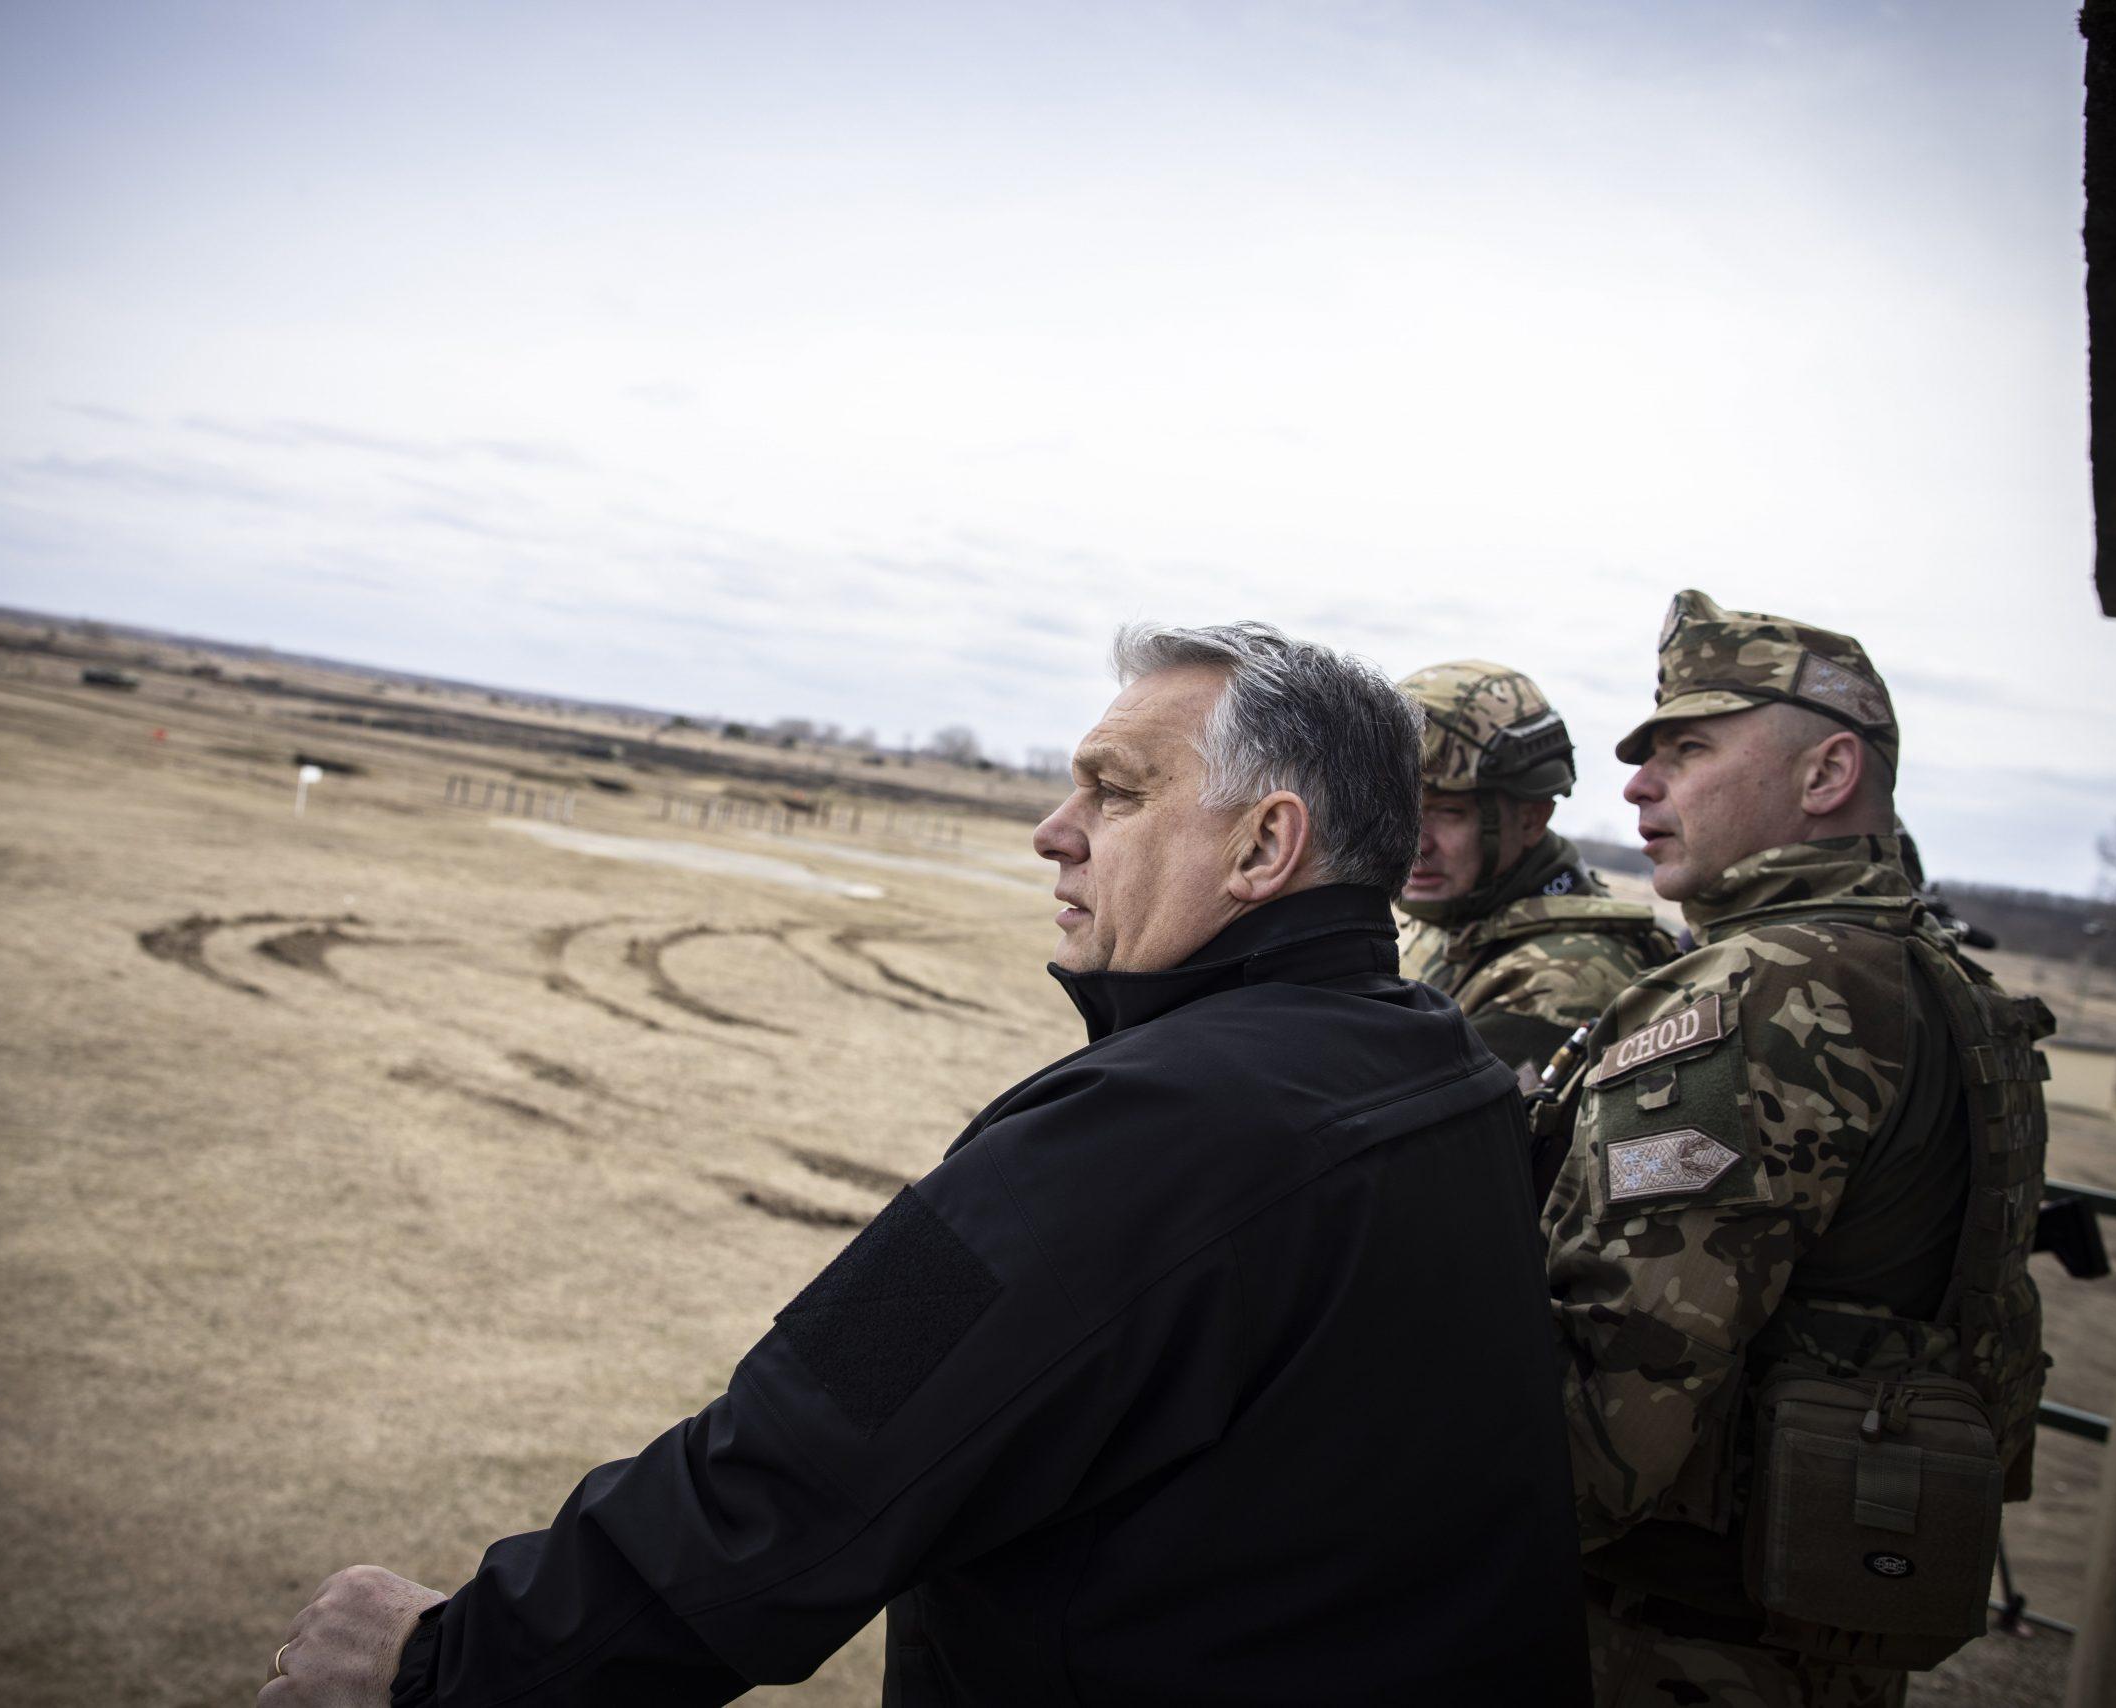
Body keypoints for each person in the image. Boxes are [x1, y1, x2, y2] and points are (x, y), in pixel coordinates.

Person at [263, 621, 1591, 1707]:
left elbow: (796, 1467)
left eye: (1117, 790)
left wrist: (447, 1662)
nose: (1051, 830)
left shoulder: (1153, 1127)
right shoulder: (1433, 1064)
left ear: (1263, 847)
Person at [1538, 591, 2052, 1708]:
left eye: (1687, 748)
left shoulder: (1769, 988)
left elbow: (1596, 1442)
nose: (1637, 783)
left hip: (1663, 1647)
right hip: (1807, 1636)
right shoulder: (1934, 980)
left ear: (1823, 777)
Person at [1393, 659, 1675, 1087]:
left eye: (1449, 812)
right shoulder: (1455, 911)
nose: (1416, 842)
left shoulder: (1567, 974)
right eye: (1400, 808)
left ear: (1531, 818)